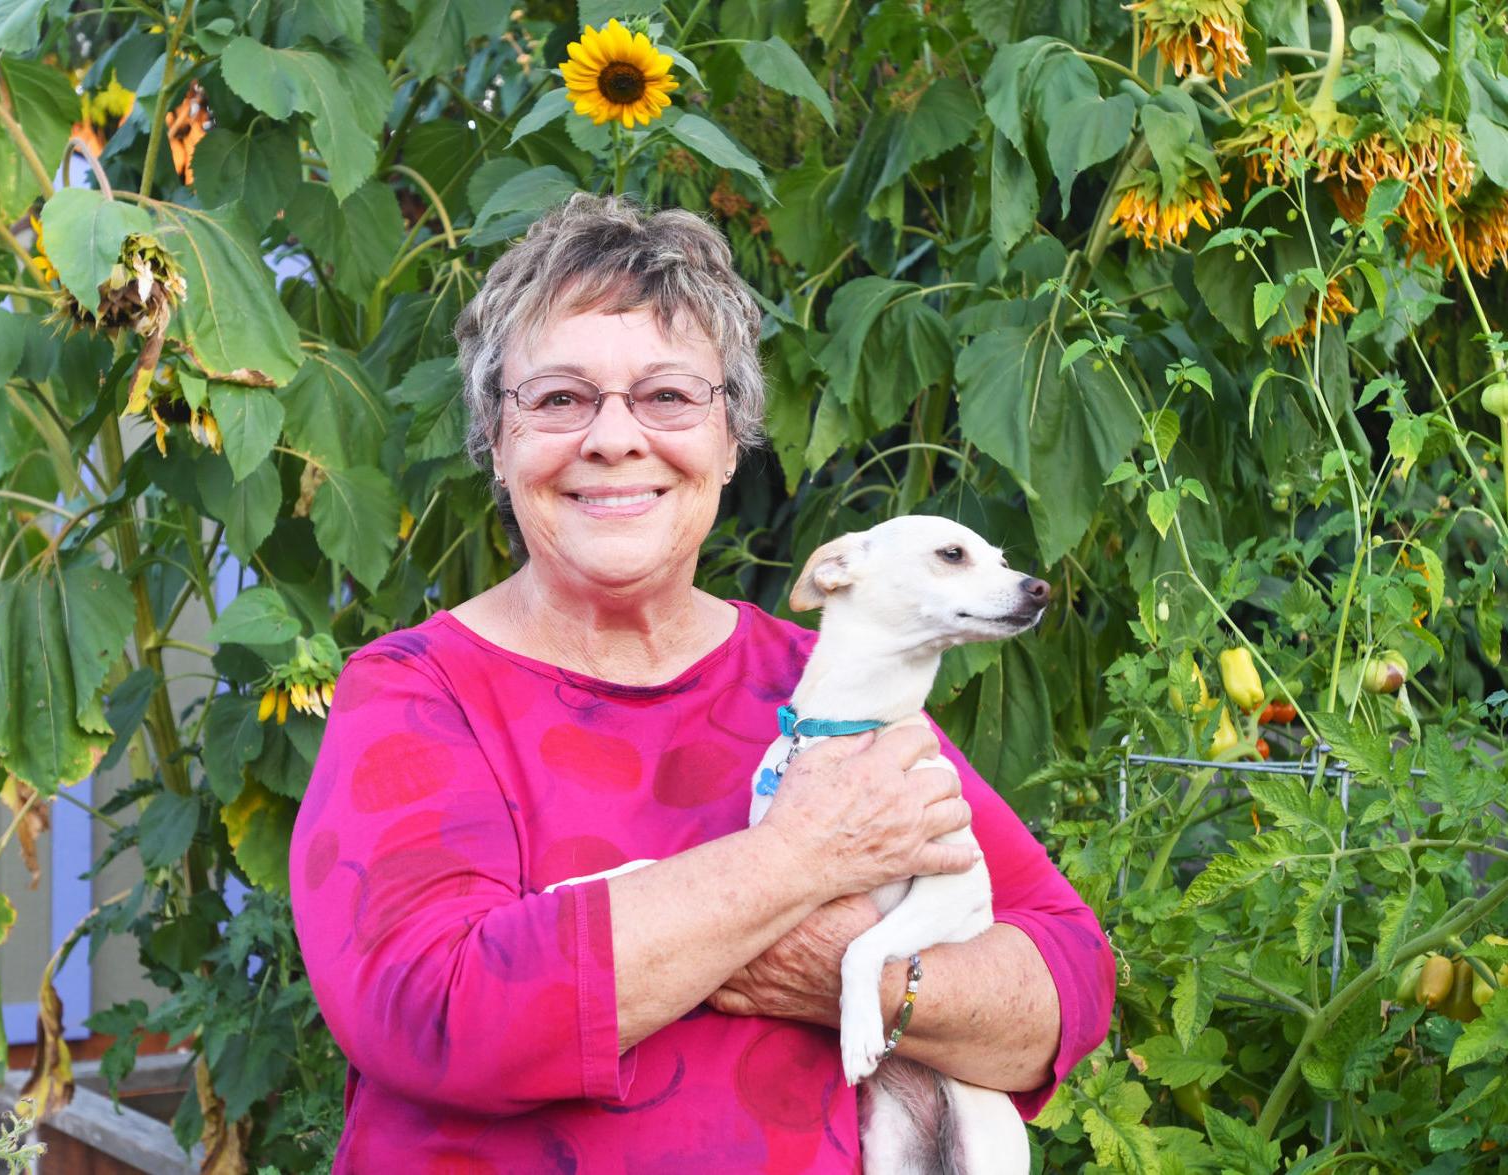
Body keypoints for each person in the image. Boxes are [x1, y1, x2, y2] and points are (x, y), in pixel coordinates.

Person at [289, 194, 1115, 1172]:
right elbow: (431, 1012)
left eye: (668, 397)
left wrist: (858, 978)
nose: (612, 437)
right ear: (496, 440)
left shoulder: (819, 683)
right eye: (557, 398)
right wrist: (801, 858)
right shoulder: (421, 692)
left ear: (730, 440)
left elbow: (1065, 982)